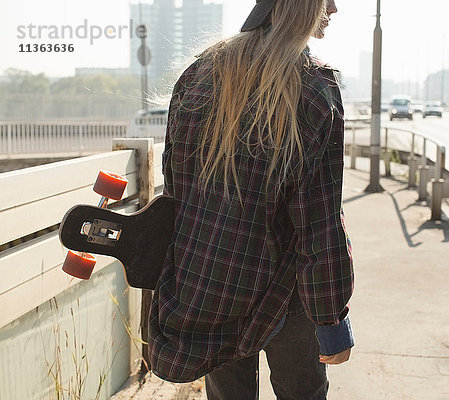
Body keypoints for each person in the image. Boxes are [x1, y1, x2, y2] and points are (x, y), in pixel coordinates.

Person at [149, 0, 354, 398]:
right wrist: (332, 321)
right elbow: (320, 222)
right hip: (286, 294)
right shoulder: (313, 88)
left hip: (211, 285)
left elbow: (175, 190)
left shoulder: (201, 72)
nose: (334, 7)